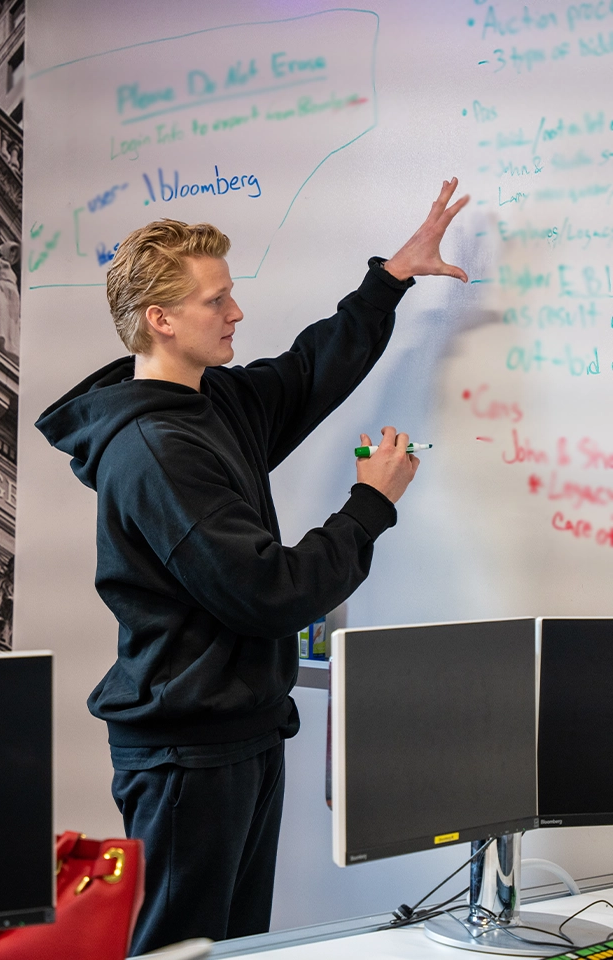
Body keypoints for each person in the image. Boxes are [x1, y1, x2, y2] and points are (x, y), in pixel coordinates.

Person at [35, 179, 470, 954]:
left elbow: (309, 371)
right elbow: (269, 592)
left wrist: (391, 277)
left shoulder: (214, 403)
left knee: (234, 949)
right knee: (183, 952)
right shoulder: (154, 451)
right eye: (217, 301)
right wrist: (370, 505)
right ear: (159, 320)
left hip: (238, 737)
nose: (236, 313)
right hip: (185, 757)